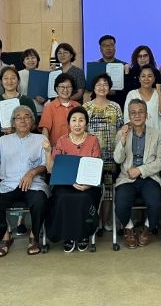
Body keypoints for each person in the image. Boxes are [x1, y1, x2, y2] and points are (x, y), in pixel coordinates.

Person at [0, 105, 49, 257]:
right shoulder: (2, 140)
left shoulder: (41, 139)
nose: (22, 120)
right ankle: (5, 237)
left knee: (40, 202)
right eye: (18, 118)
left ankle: (34, 236)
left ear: (32, 121)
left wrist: (32, 172)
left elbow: (46, 165)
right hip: (8, 185)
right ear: (13, 122)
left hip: (33, 185)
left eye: (27, 117)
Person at [43, 107, 102, 252]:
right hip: (65, 183)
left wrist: (88, 185)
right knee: (63, 197)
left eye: (81, 120)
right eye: (74, 120)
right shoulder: (62, 141)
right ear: (69, 123)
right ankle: (67, 235)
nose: (77, 124)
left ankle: (83, 234)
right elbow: (51, 170)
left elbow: (96, 167)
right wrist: (48, 152)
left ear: (86, 123)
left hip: (88, 185)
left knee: (84, 198)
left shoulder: (93, 140)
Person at [113, 99, 161, 248]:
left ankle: (148, 228)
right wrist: (123, 139)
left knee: (156, 202)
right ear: (129, 116)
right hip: (127, 178)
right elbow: (118, 159)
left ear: (146, 114)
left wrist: (140, 170)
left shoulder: (157, 134)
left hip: (149, 177)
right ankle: (129, 228)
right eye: (133, 113)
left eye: (140, 112)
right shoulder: (122, 133)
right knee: (121, 203)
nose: (137, 115)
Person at [83, 73, 124, 230]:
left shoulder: (115, 107)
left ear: (109, 87)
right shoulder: (86, 107)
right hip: (91, 157)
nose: (102, 87)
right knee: (92, 190)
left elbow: (121, 131)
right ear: (93, 87)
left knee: (108, 191)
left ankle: (104, 221)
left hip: (111, 157)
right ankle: (92, 221)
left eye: (105, 84)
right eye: (98, 84)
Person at [123, 64, 161, 146]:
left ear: (154, 78)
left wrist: (159, 91)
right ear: (139, 78)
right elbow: (127, 119)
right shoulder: (132, 94)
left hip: (160, 132)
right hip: (139, 135)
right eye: (143, 76)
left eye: (150, 76)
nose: (146, 79)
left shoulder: (159, 93)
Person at [38, 73, 81, 147]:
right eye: (62, 87)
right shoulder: (49, 107)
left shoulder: (77, 106)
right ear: (56, 88)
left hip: (76, 148)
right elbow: (45, 130)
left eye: (68, 87)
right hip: (57, 149)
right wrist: (47, 149)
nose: (65, 90)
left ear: (72, 88)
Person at [94, 34, 127, 109]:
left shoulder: (124, 66)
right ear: (100, 49)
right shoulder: (95, 66)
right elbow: (91, 87)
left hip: (120, 104)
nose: (108, 48)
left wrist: (115, 92)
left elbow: (128, 88)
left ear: (115, 48)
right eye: (105, 46)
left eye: (111, 45)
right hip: (98, 105)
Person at [18, 47, 44, 115]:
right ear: (23, 61)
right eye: (27, 58)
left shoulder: (43, 74)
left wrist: (44, 100)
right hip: (24, 111)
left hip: (41, 111)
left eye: (33, 58)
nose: (30, 60)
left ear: (37, 60)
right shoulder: (17, 74)